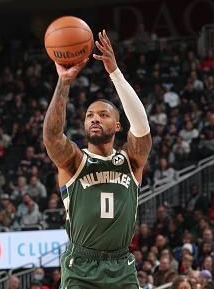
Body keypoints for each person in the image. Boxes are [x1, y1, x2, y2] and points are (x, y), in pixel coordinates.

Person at [43, 30, 152, 289]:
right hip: (81, 266)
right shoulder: (74, 162)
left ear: (116, 126)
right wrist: (64, 82)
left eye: (103, 115)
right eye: (90, 114)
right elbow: (52, 136)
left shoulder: (131, 160)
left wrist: (115, 72)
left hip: (121, 265)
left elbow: (142, 127)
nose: (94, 118)